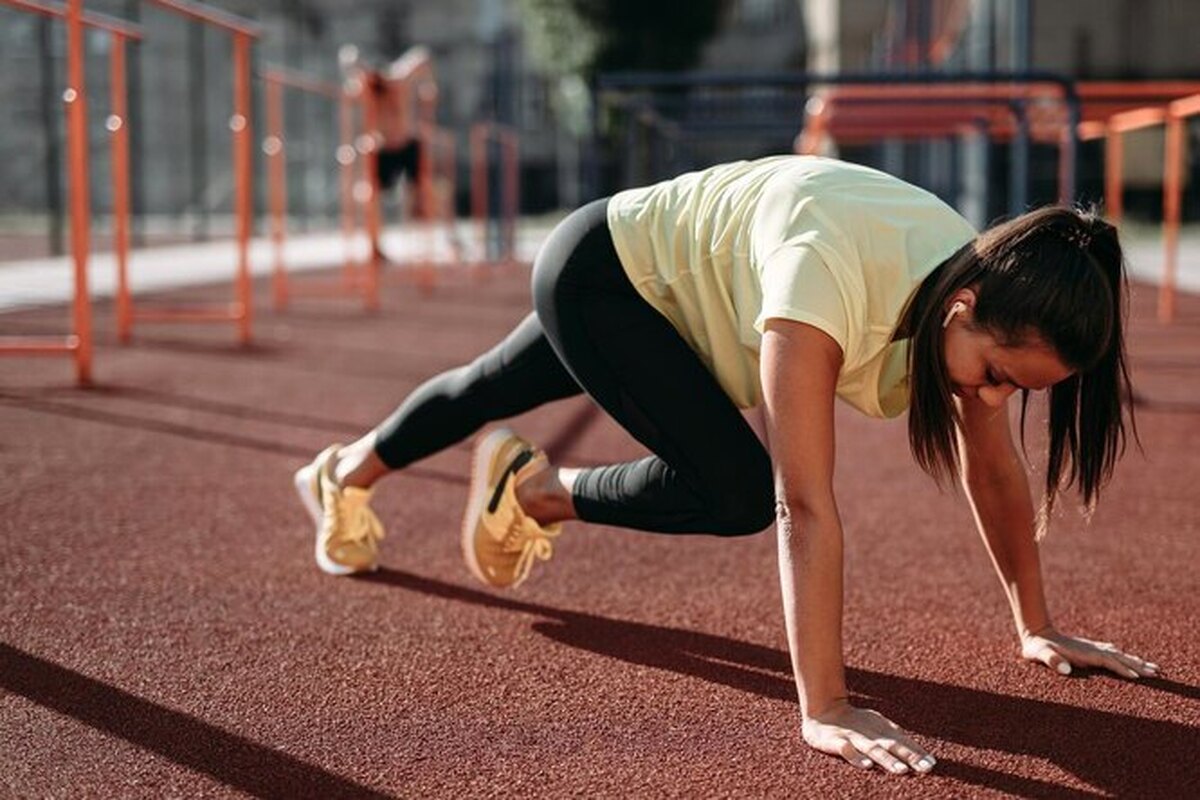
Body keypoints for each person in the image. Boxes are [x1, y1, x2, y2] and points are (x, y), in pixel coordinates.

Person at [293, 155, 1160, 776]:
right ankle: (507, 488)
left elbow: (995, 469)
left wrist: (1034, 623)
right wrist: (823, 708)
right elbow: (804, 505)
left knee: (492, 383)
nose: (998, 398)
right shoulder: (827, 282)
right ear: (961, 309)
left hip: (684, 292)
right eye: (1000, 376)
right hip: (611, 274)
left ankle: (382, 476)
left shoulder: (980, 286)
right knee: (738, 488)